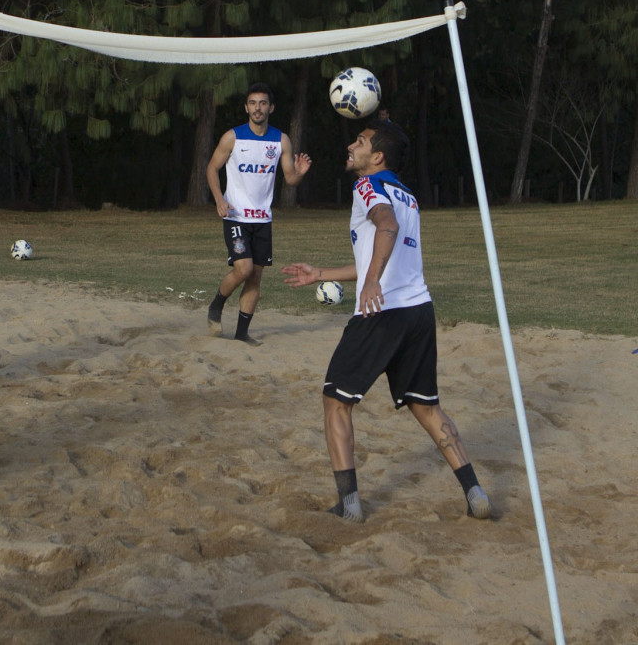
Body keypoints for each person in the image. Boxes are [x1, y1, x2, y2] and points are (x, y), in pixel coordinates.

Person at [282, 118, 493, 523]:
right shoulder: (407, 194)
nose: (351, 146)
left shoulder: (368, 185)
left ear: (376, 156)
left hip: (383, 313)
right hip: (419, 312)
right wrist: (320, 274)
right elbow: (383, 247)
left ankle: (349, 506)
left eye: (359, 142)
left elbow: (386, 226)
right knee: (427, 407)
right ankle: (475, 492)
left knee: (335, 401)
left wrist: (372, 282)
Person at [205, 82, 312, 344]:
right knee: (243, 269)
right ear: (246, 107)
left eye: (263, 103)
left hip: (262, 219)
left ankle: (242, 334)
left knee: (255, 276)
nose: (258, 108)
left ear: (271, 108)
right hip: (235, 216)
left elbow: (290, 179)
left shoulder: (280, 140)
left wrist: (299, 174)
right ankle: (216, 304)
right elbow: (211, 169)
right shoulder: (233, 137)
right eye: (253, 103)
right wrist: (219, 199)